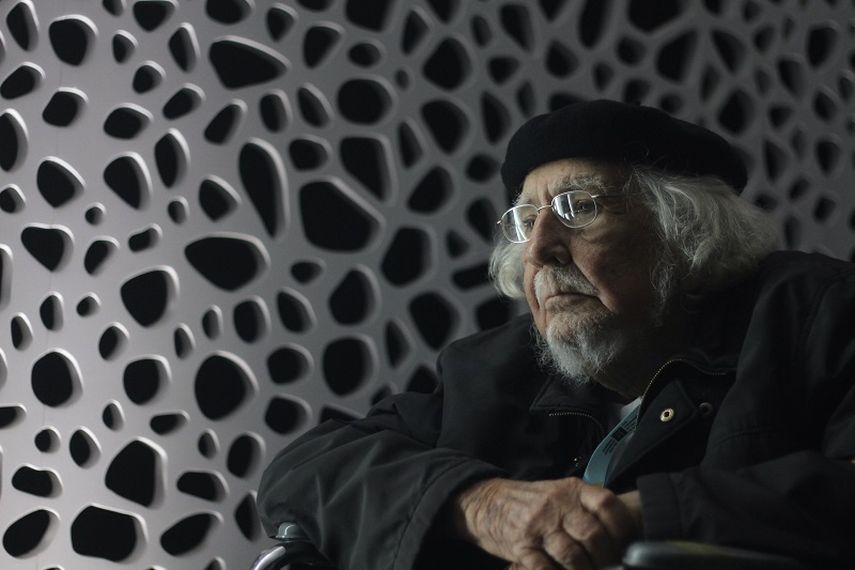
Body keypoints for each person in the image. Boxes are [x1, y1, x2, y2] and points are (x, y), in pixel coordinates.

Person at [257, 99, 855, 569]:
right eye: (524, 220)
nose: (538, 249)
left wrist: (633, 519)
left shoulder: (816, 313)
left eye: (578, 207)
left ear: (685, 231)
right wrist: (483, 505)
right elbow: (304, 470)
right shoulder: (492, 368)